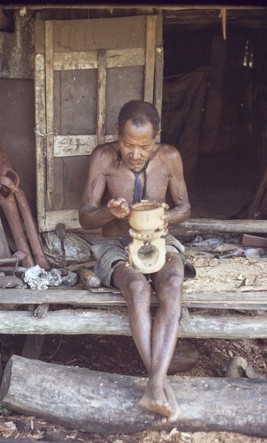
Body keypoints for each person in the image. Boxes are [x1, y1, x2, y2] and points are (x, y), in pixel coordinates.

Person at [79, 100, 194, 423]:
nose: (135, 153)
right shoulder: (103, 157)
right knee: (138, 289)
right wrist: (108, 212)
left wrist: (166, 217)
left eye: (143, 146)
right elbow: (85, 216)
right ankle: (159, 384)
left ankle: (155, 384)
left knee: (172, 283)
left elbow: (185, 206)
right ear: (118, 134)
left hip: (158, 239)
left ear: (156, 139)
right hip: (116, 243)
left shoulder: (169, 157)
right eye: (128, 144)